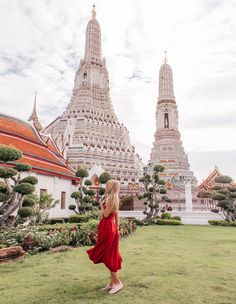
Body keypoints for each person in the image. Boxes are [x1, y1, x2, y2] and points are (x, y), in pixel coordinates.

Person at [86, 179, 123, 294]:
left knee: (108, 256)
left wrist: (101, 206)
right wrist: (116, 230)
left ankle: (117, 283)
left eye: (107, 185)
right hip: (108, 228)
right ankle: (112, 283)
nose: (106, 186)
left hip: (107, 228)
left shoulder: (112, 199)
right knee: (110, 255)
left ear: (111, 187)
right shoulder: (113, 198)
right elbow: (116, 216)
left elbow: (106, 214)